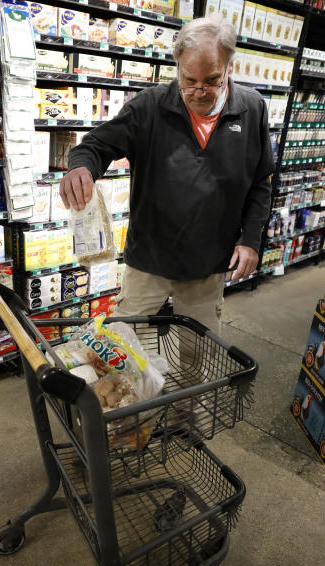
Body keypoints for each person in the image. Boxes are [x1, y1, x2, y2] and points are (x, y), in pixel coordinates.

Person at [59, 16, 274, 334]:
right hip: (148, 261)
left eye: (212, 80)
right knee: (127, 356)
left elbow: (260, 183)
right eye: (189, 81)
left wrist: (252, 240)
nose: (199, 91)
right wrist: (80, 167)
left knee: (197, 356)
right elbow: (95, 146)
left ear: (229, 67)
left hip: (208, 265)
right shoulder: (149, 107)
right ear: (177, 67)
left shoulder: (252, 108)